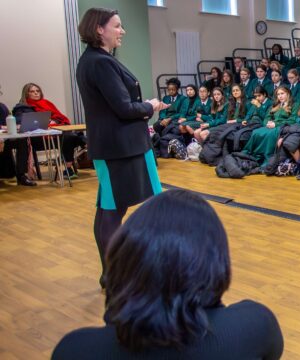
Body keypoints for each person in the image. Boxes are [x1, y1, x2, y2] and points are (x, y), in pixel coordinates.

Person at [52, 189, 284, 359]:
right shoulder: (255, 326)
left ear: (123, 257)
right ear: (213, 262)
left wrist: (115, 311)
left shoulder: (75, 350)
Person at [75, 7, 168, 288]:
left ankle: (114, 272)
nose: (122, 31)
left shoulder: (97, 60)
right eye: (117, 26)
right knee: (112, 211)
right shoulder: (100, 63)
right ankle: (114, 275)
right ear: (99, 29)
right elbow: (124, 108)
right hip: (119, 147)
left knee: (110, 209)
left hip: (122, 145)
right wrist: (150, 107)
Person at [18, 82, 87, 179]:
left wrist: (54, 121)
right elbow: (23, 124)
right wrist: (46, 123)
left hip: (56, 135)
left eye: (38, 91)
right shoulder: (22, 107)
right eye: (32, 91)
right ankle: (85, 143)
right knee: (71, 136)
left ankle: (68, 168)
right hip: (38, 139)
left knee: (68, 137)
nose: (36, 93)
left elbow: (61, 118)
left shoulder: (46, 103)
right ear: (26, 94)